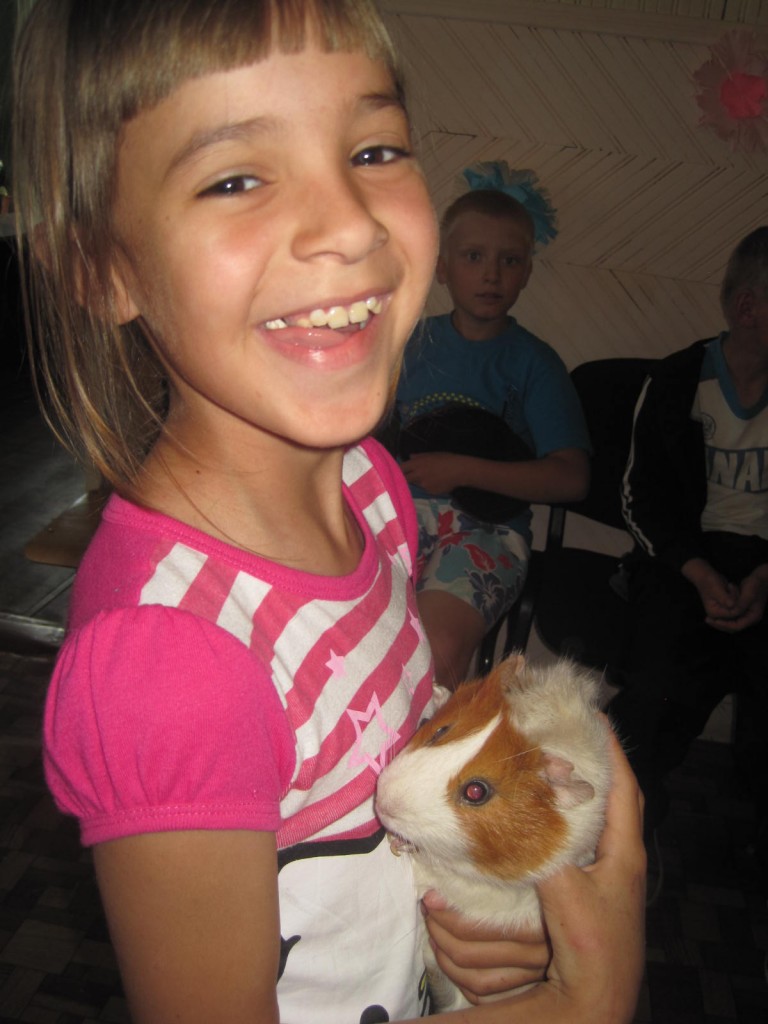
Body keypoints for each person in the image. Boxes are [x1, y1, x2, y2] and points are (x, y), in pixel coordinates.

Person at [12, 2, 646, 1021]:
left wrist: (475, 910)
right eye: (235, 178)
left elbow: (381, 760)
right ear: (104, 267)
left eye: (374, 150)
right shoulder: (169, 662)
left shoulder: (368, 484)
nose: (351, 223)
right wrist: (589, 1001)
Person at [609, 226, 768, 899]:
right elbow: (640, 499)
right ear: (746, 308)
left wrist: (763, 579)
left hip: (764, 564)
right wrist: (698, 573)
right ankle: (629, 819)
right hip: (683, 558)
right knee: (659, 685)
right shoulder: (677, 381)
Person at [393, 185, 591, 690]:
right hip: (395, 518)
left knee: (434, 653)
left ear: (526, 272)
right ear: (442, 267)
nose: (491, 274)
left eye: (509, 260)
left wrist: (462, 470)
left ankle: (430, 740)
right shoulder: (407, 345)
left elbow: (572, 479)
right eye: (473, 256)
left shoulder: (534, 364)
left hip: (487, 532)